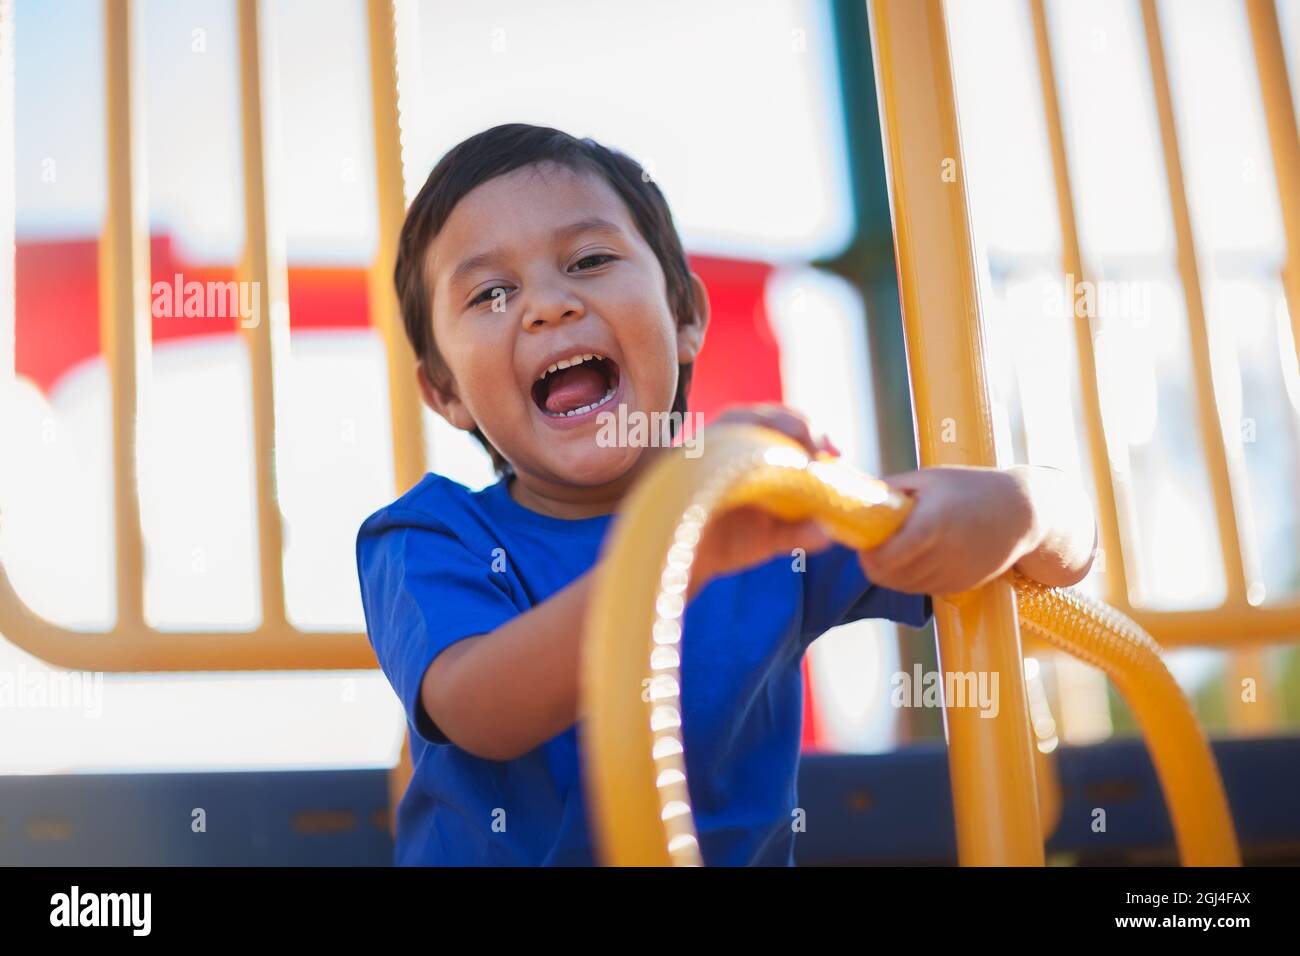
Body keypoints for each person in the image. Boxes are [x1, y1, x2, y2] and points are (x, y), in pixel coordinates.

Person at [356, 123, 1097, 865]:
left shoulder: (762, 508)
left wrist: (1023, 508)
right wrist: (682, 555)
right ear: (445, 390)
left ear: (686, 318)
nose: (548, 305)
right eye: (490, 293)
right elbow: (482, 710)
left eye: (589, 259)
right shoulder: (429, 537)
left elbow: (1057, 556)